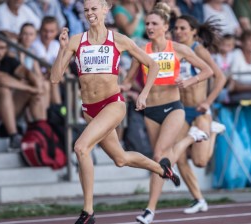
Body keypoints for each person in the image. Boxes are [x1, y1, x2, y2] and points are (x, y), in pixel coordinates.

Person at [50, 0, 182, 223]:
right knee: (120, 159)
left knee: (81, 147)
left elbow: (153, 64)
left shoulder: (118, 40)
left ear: (105, 9)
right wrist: (62, 49)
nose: (90, 13)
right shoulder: (76, 41)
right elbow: (54, 78)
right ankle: (162, 170)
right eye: (86, 10)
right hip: (90, 109)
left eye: (94, 9)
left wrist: (143, 94)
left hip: (113, 104)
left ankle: (88, 212)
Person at [121, 3, 213, 224]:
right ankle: (192, 137)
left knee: (159, 155)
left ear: (165, 27)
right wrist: (115, 90)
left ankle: (149, 211)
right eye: (148, 23)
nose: (150, 27)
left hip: (173, 107)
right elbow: (126, 83)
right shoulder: (142, 51)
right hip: (151, 111)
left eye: (154, 23)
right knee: (160, 159)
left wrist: (189, 81)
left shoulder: (178, 49)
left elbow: (208, 70)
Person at [173, 15, 227, 214]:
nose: (178, 31)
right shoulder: (174, 50)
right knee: (178, 157)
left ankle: (212, 131)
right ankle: (198, 199)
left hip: (199, 110)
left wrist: (207, 102)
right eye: (176, 28)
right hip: (180, 110)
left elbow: (220, 77)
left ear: (193, 31)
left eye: (183, 28)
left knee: (200, 161)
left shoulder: (198, 50)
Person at [0, 33, 48, 151]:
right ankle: (14, 136)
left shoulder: (8, 60)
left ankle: (42, 132)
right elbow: (1, 78)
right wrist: (30, 88)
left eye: (2, 48)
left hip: (7, 109)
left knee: (34, 93)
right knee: (4, 90)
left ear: (6, 49)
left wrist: (36, 84)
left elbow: (25, 72)